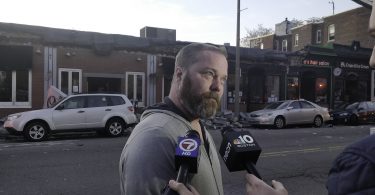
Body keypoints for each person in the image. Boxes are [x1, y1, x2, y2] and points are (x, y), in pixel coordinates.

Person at [119, 43, 228, 195]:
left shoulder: (196, 125)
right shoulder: (154, 137)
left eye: (223, 79)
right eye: (209, 74)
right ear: (179, 75)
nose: (218, 87)